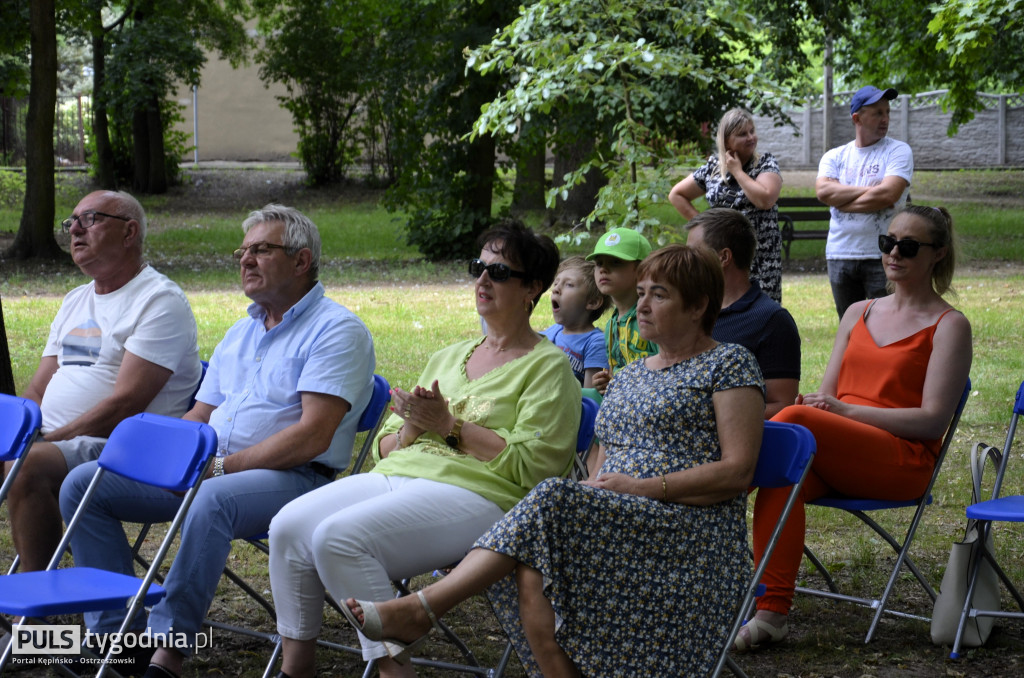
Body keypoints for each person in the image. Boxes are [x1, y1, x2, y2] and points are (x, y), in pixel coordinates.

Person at [341, 244, 766, 677]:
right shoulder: (632, 373)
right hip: (619, 519)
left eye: (659, 295)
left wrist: (639, 488)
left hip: (689, 531)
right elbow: (603, 452)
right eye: (640, 292)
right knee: (532, 569)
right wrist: (598, 492)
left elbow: (737, 471)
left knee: (548, 503)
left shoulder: (728, 364)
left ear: (697, 307)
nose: (640, 305)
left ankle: (423, 609)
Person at [58, 205, 376, 678]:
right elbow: (199, 415)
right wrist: (168, 462)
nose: (245, 260)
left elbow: (313, 436)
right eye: (242, 251)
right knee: (85, 483)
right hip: (210, 469)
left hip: (296, 479)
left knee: (212, 499)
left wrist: (225, 467)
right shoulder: (241, 332)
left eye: (261, 250)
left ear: (301, 260)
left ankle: (167, 653)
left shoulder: (337, 330)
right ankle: (118, 638)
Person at [267, 221, 580, 678]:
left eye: (500, 272)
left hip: (484, 497)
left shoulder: (550, 368)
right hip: (402, 475)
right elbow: (385, 448)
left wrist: (451, 427)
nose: (483, 280)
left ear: (533, 288)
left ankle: (395, 670)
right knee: (288, 527)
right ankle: (297, 669)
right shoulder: (450, 356)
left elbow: (534, 470)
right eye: (479, 267)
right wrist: (416, 426)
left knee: (337, 538)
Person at [738, 205, 972, 650]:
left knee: (793, 425)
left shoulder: (949, 325)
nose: (894, 254)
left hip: (903, 459)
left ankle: (722, 483)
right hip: (842, 452)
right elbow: (828, 395)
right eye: (888, 242)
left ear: (938, 253)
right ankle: (771, 613)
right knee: (785, 472)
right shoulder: (858, 312)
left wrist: (840, 414)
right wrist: (824, 408)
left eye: (908, 246)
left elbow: (931, 421)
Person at [9, 190, 200, 573]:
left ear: (129, 232)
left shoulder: (158, 301)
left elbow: (125, 405)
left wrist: (47, 440)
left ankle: (32, 618)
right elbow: (37, 390)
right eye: (71, 222)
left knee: (28, 465)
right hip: (57, 439)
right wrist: (17, 432)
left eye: (90, 219)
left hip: (123, 447)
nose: (75, 230)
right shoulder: (76, 300)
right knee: (20, 455)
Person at [685, 208, 800, 418]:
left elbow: (783, 406)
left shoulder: (771, 320)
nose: (686, 262)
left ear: (724, 257)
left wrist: (705, 415)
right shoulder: (689, 311)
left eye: (694, 253)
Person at [816, 85, 914, 319]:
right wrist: (870, 192)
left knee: (885, 326)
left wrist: (842, 200)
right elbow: (823, 191)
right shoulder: (834, 156)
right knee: (850, 327)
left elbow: (888, 194)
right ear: (857, 118)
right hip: (840, 254)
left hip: (883, 254)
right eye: (878, 112)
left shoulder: (898, 151)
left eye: (888, 112)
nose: (885, 118)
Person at [669, 108, 784, 303]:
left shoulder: (765, 163)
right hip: (721, 256)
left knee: (761, 313)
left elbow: (765, 199)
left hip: (760, 256)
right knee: (721, 307)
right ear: (726, 140)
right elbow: (677, 195)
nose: (750, 137)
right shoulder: (713, 168)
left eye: (751, 131)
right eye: (742, 134)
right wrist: (706, 227)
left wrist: (737, 172)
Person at [586, 227, 658, 395]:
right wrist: (606, 381)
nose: (603, 269)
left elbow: (670, 366)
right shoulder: (611, 324)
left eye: (615, 262)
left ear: (642, 270)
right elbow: (615, 370)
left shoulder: (652, 317)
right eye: (599, 264)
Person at [541, 256, 610, 387]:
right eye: (556, 283)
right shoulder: (553, 331)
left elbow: (590, 395)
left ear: (592, 302)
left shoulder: (595, 342)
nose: (555, 289)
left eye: (569, 284)